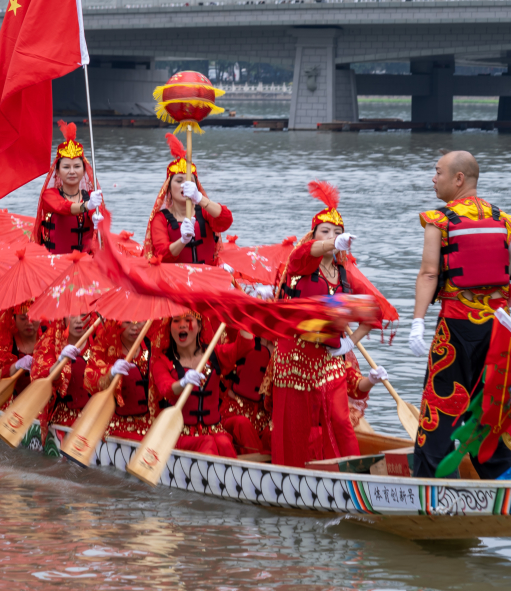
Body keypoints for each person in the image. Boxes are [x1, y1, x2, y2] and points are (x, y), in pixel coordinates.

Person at [409, 150, 511, 479]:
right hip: (497, 328)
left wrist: (418, 322)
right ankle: (507, 474)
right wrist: (503, 300)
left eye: (437, 172)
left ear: (459, 179)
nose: (433, 178)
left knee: (441, 405)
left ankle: (435, 483)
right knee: (487, 407)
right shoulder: (506, 221)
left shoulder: (439, 220)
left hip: (456, 327)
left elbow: (428, 273)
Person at [270, 182, 391, 468]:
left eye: (338, 232)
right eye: (325, 231)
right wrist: (330, 244)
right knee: (295, 427)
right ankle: (293, 475)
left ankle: (352, 471)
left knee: (340, 420)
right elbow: (306, 252)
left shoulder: (343, 273)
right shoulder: (299, 263)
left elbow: (375, 311)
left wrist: (350, 343)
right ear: (313, 236)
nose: (333, 236)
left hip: (329, 359)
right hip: (295, 357)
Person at [150, 312, 262, 457]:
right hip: (180, 436)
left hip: (216, 433)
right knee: (208, 444)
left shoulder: (214, 354)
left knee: (223, 443)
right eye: (176, 321)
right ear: (169, 328)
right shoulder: (162, 362)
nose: (182, 325)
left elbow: (244, 346)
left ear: (200, 326)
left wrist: (243, 313)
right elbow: (166, 389)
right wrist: (183, 383)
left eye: (188, 320)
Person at [144, 133, 233, 265]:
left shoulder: (204, 211)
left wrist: (199, 198)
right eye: (179, 181)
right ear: (168, 188)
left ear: (196, 186)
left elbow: (226, 220)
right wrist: (183, 241)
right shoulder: (160, 218)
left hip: (209, 277)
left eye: (189, 181)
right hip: (176, 280)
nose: (184, 185)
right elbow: (162, 255)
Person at [34, 121, 102, 255]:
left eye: (77, 167)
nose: (72, 171)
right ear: (58, 172)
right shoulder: (49, 195)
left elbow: (93, 211)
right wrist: (86, 206)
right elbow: (63, 207)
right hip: (55, 264)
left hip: (85, 265)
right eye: (66, 167)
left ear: (84, 171)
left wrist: (97, 218)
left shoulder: (90, 196)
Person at [88, 320, 158, 440]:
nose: (134, 327)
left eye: (139, 322)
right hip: (115, 427)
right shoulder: (104, 346)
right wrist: (111, 372)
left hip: (150, 426)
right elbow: (90, 380)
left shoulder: (154, 346)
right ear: (118, 323)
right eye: (128, 322)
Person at [29, 313, 92, 428]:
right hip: (64, 418)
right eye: (72, 315)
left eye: (83, 314)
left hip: (96, 417)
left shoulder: (100, 342)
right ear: (62, 317)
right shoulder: (50, 343)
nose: (79, 320)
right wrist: (60, 361)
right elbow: (42, 381)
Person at [0, 307, 40, 395]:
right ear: (14, 318)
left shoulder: (48, 340)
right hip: (13, 403)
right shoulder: (4, 342)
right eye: (23, 318)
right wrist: (15, 366)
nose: (29, 323)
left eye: (34, 317)